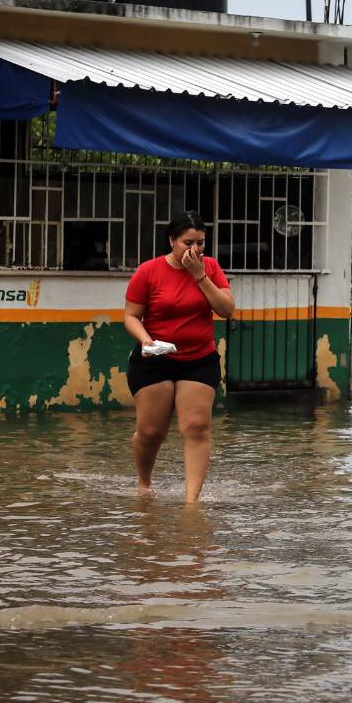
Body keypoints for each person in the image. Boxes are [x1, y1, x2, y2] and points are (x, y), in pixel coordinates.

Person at [124, 211, 234, 502]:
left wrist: (200, 277)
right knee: (151, 431)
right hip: (154, 359)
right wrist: (145, 339)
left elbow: (226, 309)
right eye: (188, 243)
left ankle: (191, 502)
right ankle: (144, 483)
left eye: (200, 243)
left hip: (199, 359)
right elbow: (131, 316)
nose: (195, 249)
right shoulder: (148, 271)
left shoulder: (210, 268)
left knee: (196, 426)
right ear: (172, 240)